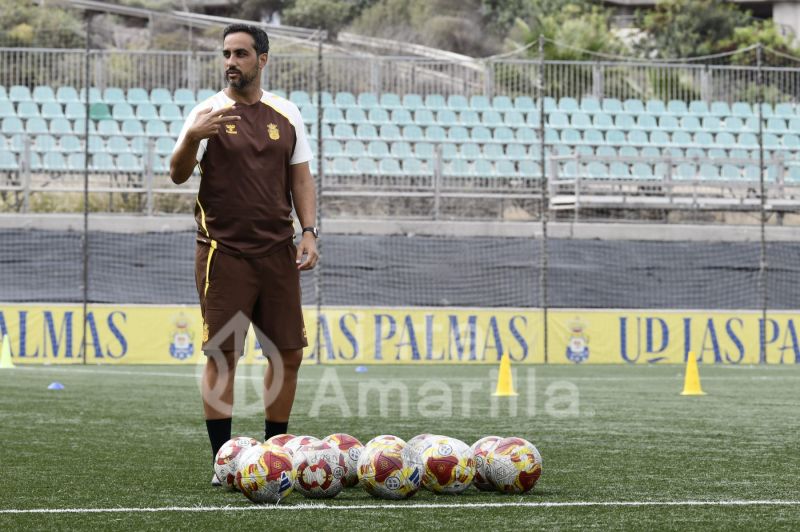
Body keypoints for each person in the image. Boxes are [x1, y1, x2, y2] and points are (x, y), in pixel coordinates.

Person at [169, 23, 319, 486]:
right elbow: (176, 174)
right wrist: (192, 136)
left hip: (277, 253)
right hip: (224, 253)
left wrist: (308, 231)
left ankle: (275, 456)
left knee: (288, 355)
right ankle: (224, 463)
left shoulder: (286, 112)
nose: (230, 62)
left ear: (262, 59)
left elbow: (301, 179)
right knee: (223, 357)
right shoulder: (207, 113)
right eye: (226, 54)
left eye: (240, 54)